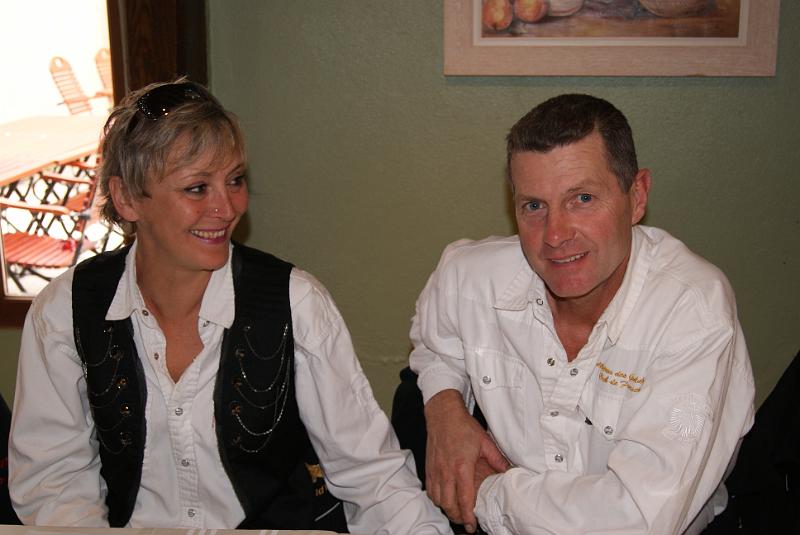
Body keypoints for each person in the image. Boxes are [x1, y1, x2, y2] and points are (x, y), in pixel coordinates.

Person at [9, 79, 452, 534]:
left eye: (235, 180)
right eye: (197, 188)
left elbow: (372, 476)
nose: (227, 207)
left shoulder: (295, 304)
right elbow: (54, 484)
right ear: (126, 198)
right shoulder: (64, 311)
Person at [409, 94, 755, 534]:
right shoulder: (469, 277)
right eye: (534, 206)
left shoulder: (693, 313)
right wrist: (444, 407)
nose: (555, 235)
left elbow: (636, 520)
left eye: (583, 198)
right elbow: (434, 340)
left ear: (637, 196)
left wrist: (484, 492)